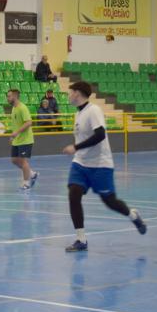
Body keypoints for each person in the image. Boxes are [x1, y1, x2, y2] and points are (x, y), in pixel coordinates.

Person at [62, 81, 146, 252]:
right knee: (74, 193)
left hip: (100, 163)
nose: (68, 95)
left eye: (70, 92)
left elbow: (100, 135)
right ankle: (81, 239)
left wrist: (75, 147)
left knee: (110, 202)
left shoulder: (93, 110)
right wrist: (78, 150)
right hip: (80, 163)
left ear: (77, 93)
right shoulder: (78, 114)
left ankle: (133, 215)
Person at [7, 89, 39, 191]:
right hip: (17, 140)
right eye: (7, 96)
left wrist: (17, 133)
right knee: (14, 160)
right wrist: (13, 136)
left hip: (25, 140)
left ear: (15, 96)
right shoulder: (14, 108)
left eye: (9, 96)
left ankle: (26, 183)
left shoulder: (22, 108)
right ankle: (32, 174)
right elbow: (16, 124)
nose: (7, 98)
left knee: (22, 161)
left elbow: (29, 122)